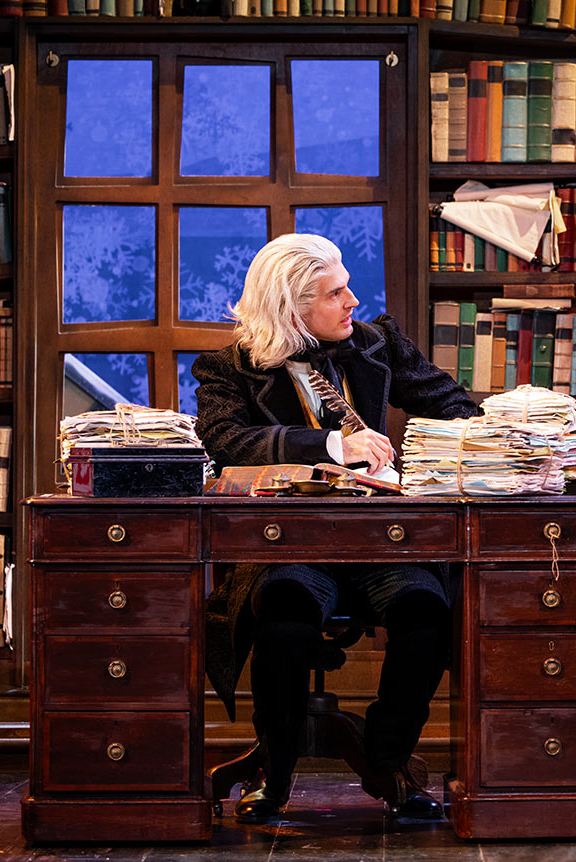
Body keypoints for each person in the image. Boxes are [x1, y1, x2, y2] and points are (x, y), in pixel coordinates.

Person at [192, 233, 478, 824]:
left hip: (379, 541)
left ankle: (388, 758)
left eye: (347, 285)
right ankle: (276, 770)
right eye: (335, 293)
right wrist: (328, 445)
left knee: (427, 613)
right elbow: (225, 445)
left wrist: (495, 441)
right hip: (289, 544)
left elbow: (458, 408)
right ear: (293, 310)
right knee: (284, 616)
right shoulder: (230, 369)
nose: (353, 300)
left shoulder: (376, 343)